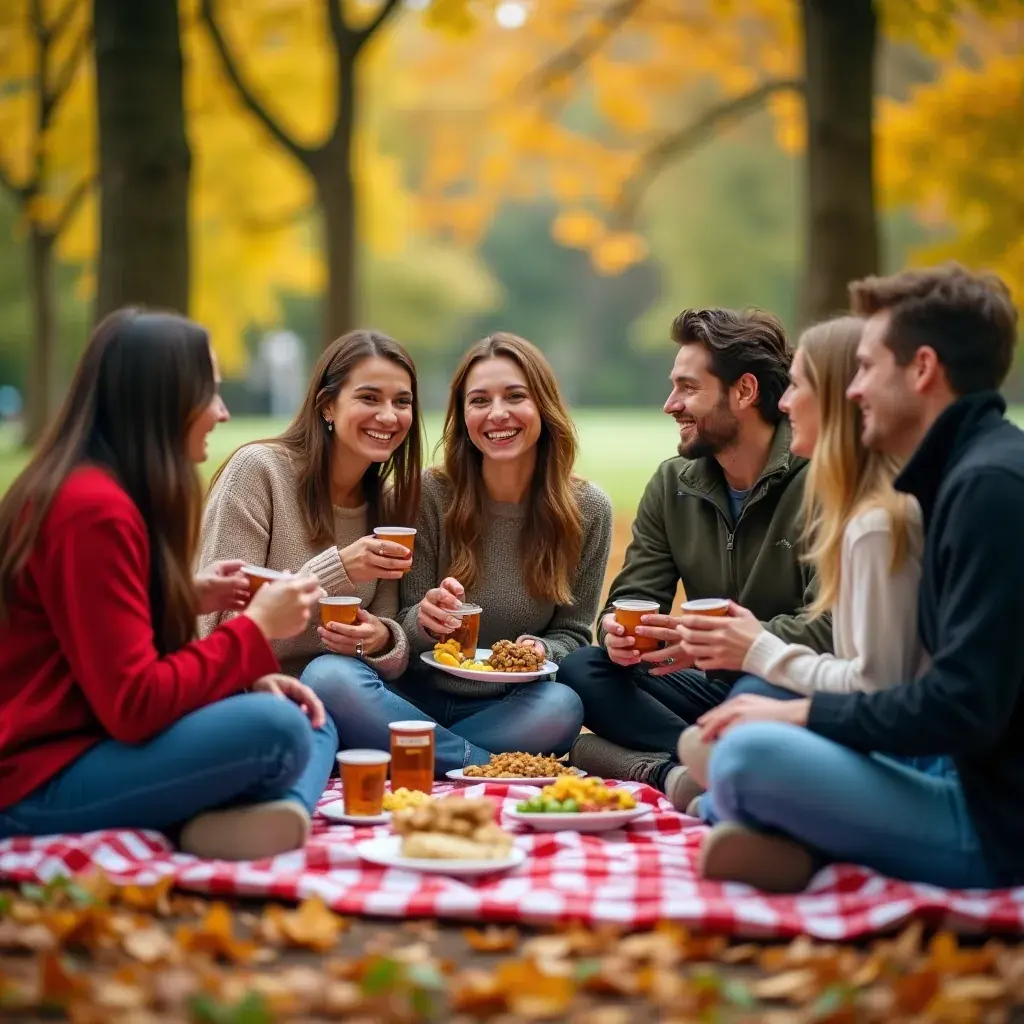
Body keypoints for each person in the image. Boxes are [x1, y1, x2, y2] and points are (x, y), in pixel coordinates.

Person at [694, 263, 1024, 893]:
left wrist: (804, 715)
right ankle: (796, 832)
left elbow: (959, 704)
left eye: (868, 366)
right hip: (965, 781)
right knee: (743, 733)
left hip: (991, 822)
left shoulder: (987, 487)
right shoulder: (970, 474)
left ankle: (799, 837)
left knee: (745, 756)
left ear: (922, 369)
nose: (855, 389)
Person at [0, 309, 334, 861]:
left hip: (93, 745)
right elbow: (136, 705)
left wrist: (184, 602)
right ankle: (227, 816)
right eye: (210, 393)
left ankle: (251, 817)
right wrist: (254, 630)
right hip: (39, 780)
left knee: (311, 716)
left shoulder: (97, 492)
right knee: (279, 730)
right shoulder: (93, 511)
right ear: (162, 401)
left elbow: (96, 642)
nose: (222, 412)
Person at [675, 315, 950, 819]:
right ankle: (741, 807)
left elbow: (878, 691)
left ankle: (740, 810)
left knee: (735, 747)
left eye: (797, 386)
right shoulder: (862, 512)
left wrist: (759, 652)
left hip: (915, 761)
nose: (782, 403)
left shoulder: (877, 524)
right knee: (716, 739)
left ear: (840, 400)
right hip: (884, 737)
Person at [302, 333, 611, 773]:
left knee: (562, 707)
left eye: (515, 396)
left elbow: (574, 635)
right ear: (463, 415)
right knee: (328, 677)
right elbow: (398, 627)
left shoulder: (588, 509)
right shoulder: (428, 493)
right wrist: (424, 619)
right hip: (409, 698)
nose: (497, 413)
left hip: (506, 707)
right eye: (479, 400)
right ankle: (477, 763)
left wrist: (541, 649)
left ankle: (410, 753)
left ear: (543, 405)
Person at [559, 308, 832, 805]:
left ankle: (656, 766)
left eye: (688, 388)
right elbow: (632, 597)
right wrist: (619, 633)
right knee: (583, 670)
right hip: (705, 686)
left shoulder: (822, 479)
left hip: (788, 684)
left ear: (744, 391)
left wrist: (725, 642)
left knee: (763, 698)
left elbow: (828, 630)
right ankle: (699, 765)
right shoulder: (673, 483)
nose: (670, 405)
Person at [198, 330, 422, 685]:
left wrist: (381, 639)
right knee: (329, 677)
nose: (388, 416)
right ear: (327, 405)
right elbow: (218, 629)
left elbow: (388, 657)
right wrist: (337, 570)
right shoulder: (259, 472)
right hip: (258, 692)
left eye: (402, 402)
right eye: (369, 397)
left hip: (345, 691)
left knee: (333, 677)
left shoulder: (386, 502)